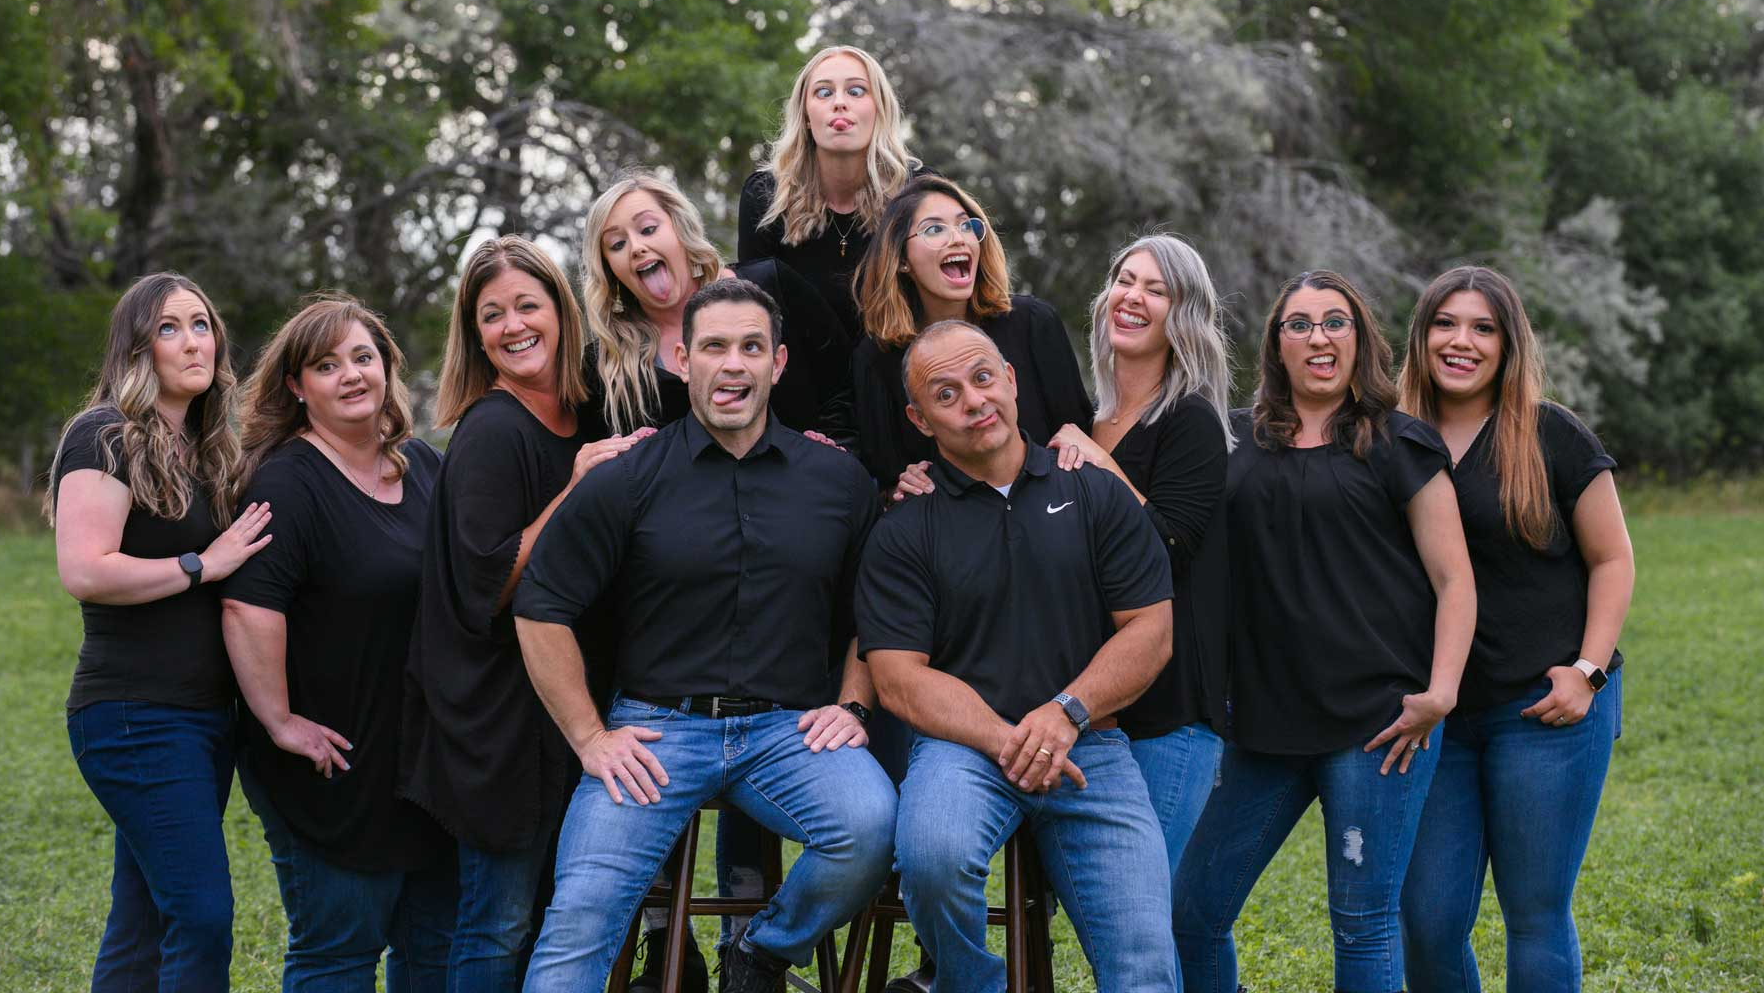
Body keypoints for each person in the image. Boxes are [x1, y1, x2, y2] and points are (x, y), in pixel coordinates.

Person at [514, 278, 897, 993]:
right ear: (684, 361)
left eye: (751, 347)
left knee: (870, 828)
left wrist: (852, 704)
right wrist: (589, 736)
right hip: (656, 733)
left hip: (790, 730)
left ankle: (761, 951)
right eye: (715, 348)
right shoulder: (628, 478)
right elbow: (541, 607)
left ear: (777, 364)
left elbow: (877, 613)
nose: (734, 366)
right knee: (580, 916)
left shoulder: (837, 481)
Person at [1171, 270, 1477, 993]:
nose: (1318, 337)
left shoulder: (1402, 442)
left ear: (1359, 340)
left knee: (1363, 922)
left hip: (1376, 725)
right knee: (1193, 912)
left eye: (1335, 322)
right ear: (1277, 344)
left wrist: (1440, 694)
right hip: (1263, 725)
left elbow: (1455, 580)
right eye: (1300, 324)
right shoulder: (1233, 439)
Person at [858, 319, 1181, 992]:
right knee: (934, 856)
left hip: (1090, 744)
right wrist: (1011, 740)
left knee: (1146, 957)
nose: (974, 400)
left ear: (1009, 379)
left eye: (982, 378)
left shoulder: (1093, 491)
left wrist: (1065, 714)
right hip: (964, 749)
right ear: (920, 419)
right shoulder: (905, 528)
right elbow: (896, 677)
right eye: (946, 395)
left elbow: (1150, 629)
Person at [399, 238, 652, 992]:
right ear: (475, 335)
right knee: (499, 921)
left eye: (527, 306)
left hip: (574, 702)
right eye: (492, 315)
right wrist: (574, 490)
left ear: (561, 311)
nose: (513, 326)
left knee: (562, 913)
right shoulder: (492, 432)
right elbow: (491, 581)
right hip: (499, 720)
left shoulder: (590, 408)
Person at [1396, 266, 1635, 993]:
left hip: (1545, 709)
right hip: (1435, 714)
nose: (1460, 341)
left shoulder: (1550, 433)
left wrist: (1587, 672)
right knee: (1428, 920)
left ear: (1508, 344)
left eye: (1482, 328)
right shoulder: (1390, 437)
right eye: (1445, 323)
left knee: (1533, 914)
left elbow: (1613, 558)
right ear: (1422, 335)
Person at [223, 294, 457, 991]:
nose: (352, 375)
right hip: (330, 768)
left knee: (435, 956)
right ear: (297, 386)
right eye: (327, 365)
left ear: (387, 368)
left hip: (419, 763)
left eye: (364, 357)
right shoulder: (287, 484)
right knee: (340, 955)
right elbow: (245, 608)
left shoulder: (422, 467)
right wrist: (278, 720)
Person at [48, 272, 272, 993]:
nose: (192, 341)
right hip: (134, 716)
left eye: (202, 324)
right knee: (202, 916)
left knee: (141, 919)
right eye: (169, 327)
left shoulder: (207, 450)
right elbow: (85, 570)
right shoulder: (104, 434)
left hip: (205, 719)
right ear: (137, 348)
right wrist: (201, 563)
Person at [1046, 236, 1234, 985]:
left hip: (1172, 709)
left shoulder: (1189, 421)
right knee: (1117, 923)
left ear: (1182, 314)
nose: (1132, 296)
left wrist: (1100, 464)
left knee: (1138, 927)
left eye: (1155, 289)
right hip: (1097, 701)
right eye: (1123, 279)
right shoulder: (1087, 419)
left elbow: (1167, 544)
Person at [849, 174, 1092, 503]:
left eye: (966, 226)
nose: (958, 239)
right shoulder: (875, 358)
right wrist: (901, 486)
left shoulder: (1034, 322)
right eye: (935, 229)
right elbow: (887, 481)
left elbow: (1078, 434)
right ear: (901, 259)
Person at [585, 169, 854, 442]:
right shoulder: (606, 364)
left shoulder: (772, 284)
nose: (636, 247)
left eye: (648, 229)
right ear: (608, 268)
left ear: (680, 227)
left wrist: (836, 453)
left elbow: (845, 382)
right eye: (617, 244)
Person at [738, 44, 922, 339]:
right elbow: (752, 315)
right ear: (807, 117)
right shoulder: (765, 196)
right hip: (799, 373)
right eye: (824, 92)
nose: (839, 103)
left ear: (879, 109)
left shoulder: (918, 192)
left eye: (856, 91)